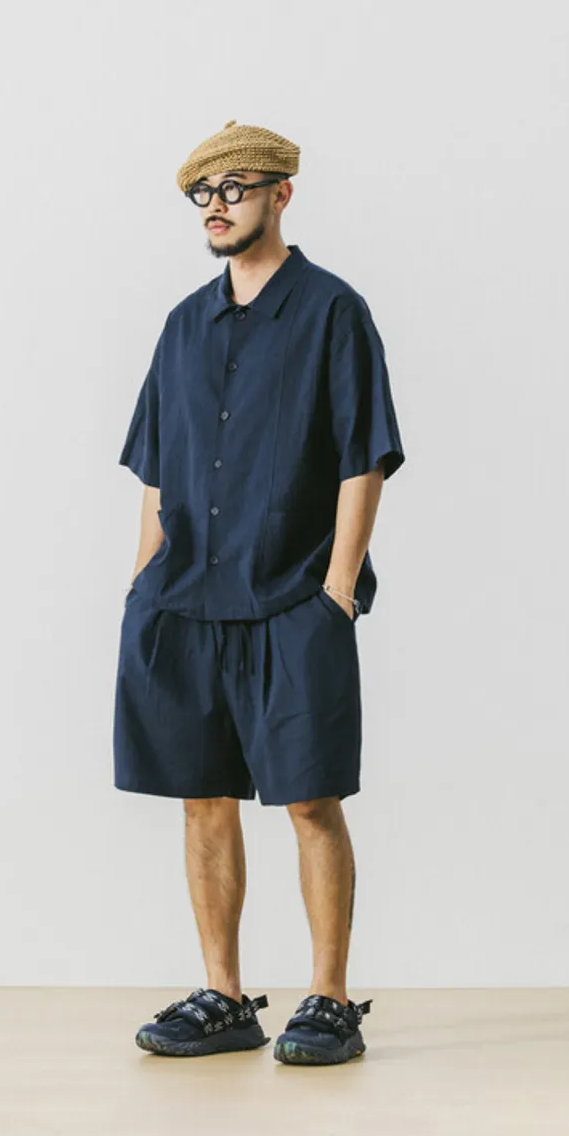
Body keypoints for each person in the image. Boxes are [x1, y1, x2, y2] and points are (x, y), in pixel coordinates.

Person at [112, 120, 406, 1065]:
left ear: (282, 194)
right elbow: (158, 467)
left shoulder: (332, 311)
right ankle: (225, 997)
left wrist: (337, 588)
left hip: (292, 598)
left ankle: (329, 999)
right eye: (204, 193)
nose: (217, 205)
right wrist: (142, 583)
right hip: (185, 600)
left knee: (310, 799)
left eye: (235, 188)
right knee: (203, 799)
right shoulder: (181, 325)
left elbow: (364, 456)